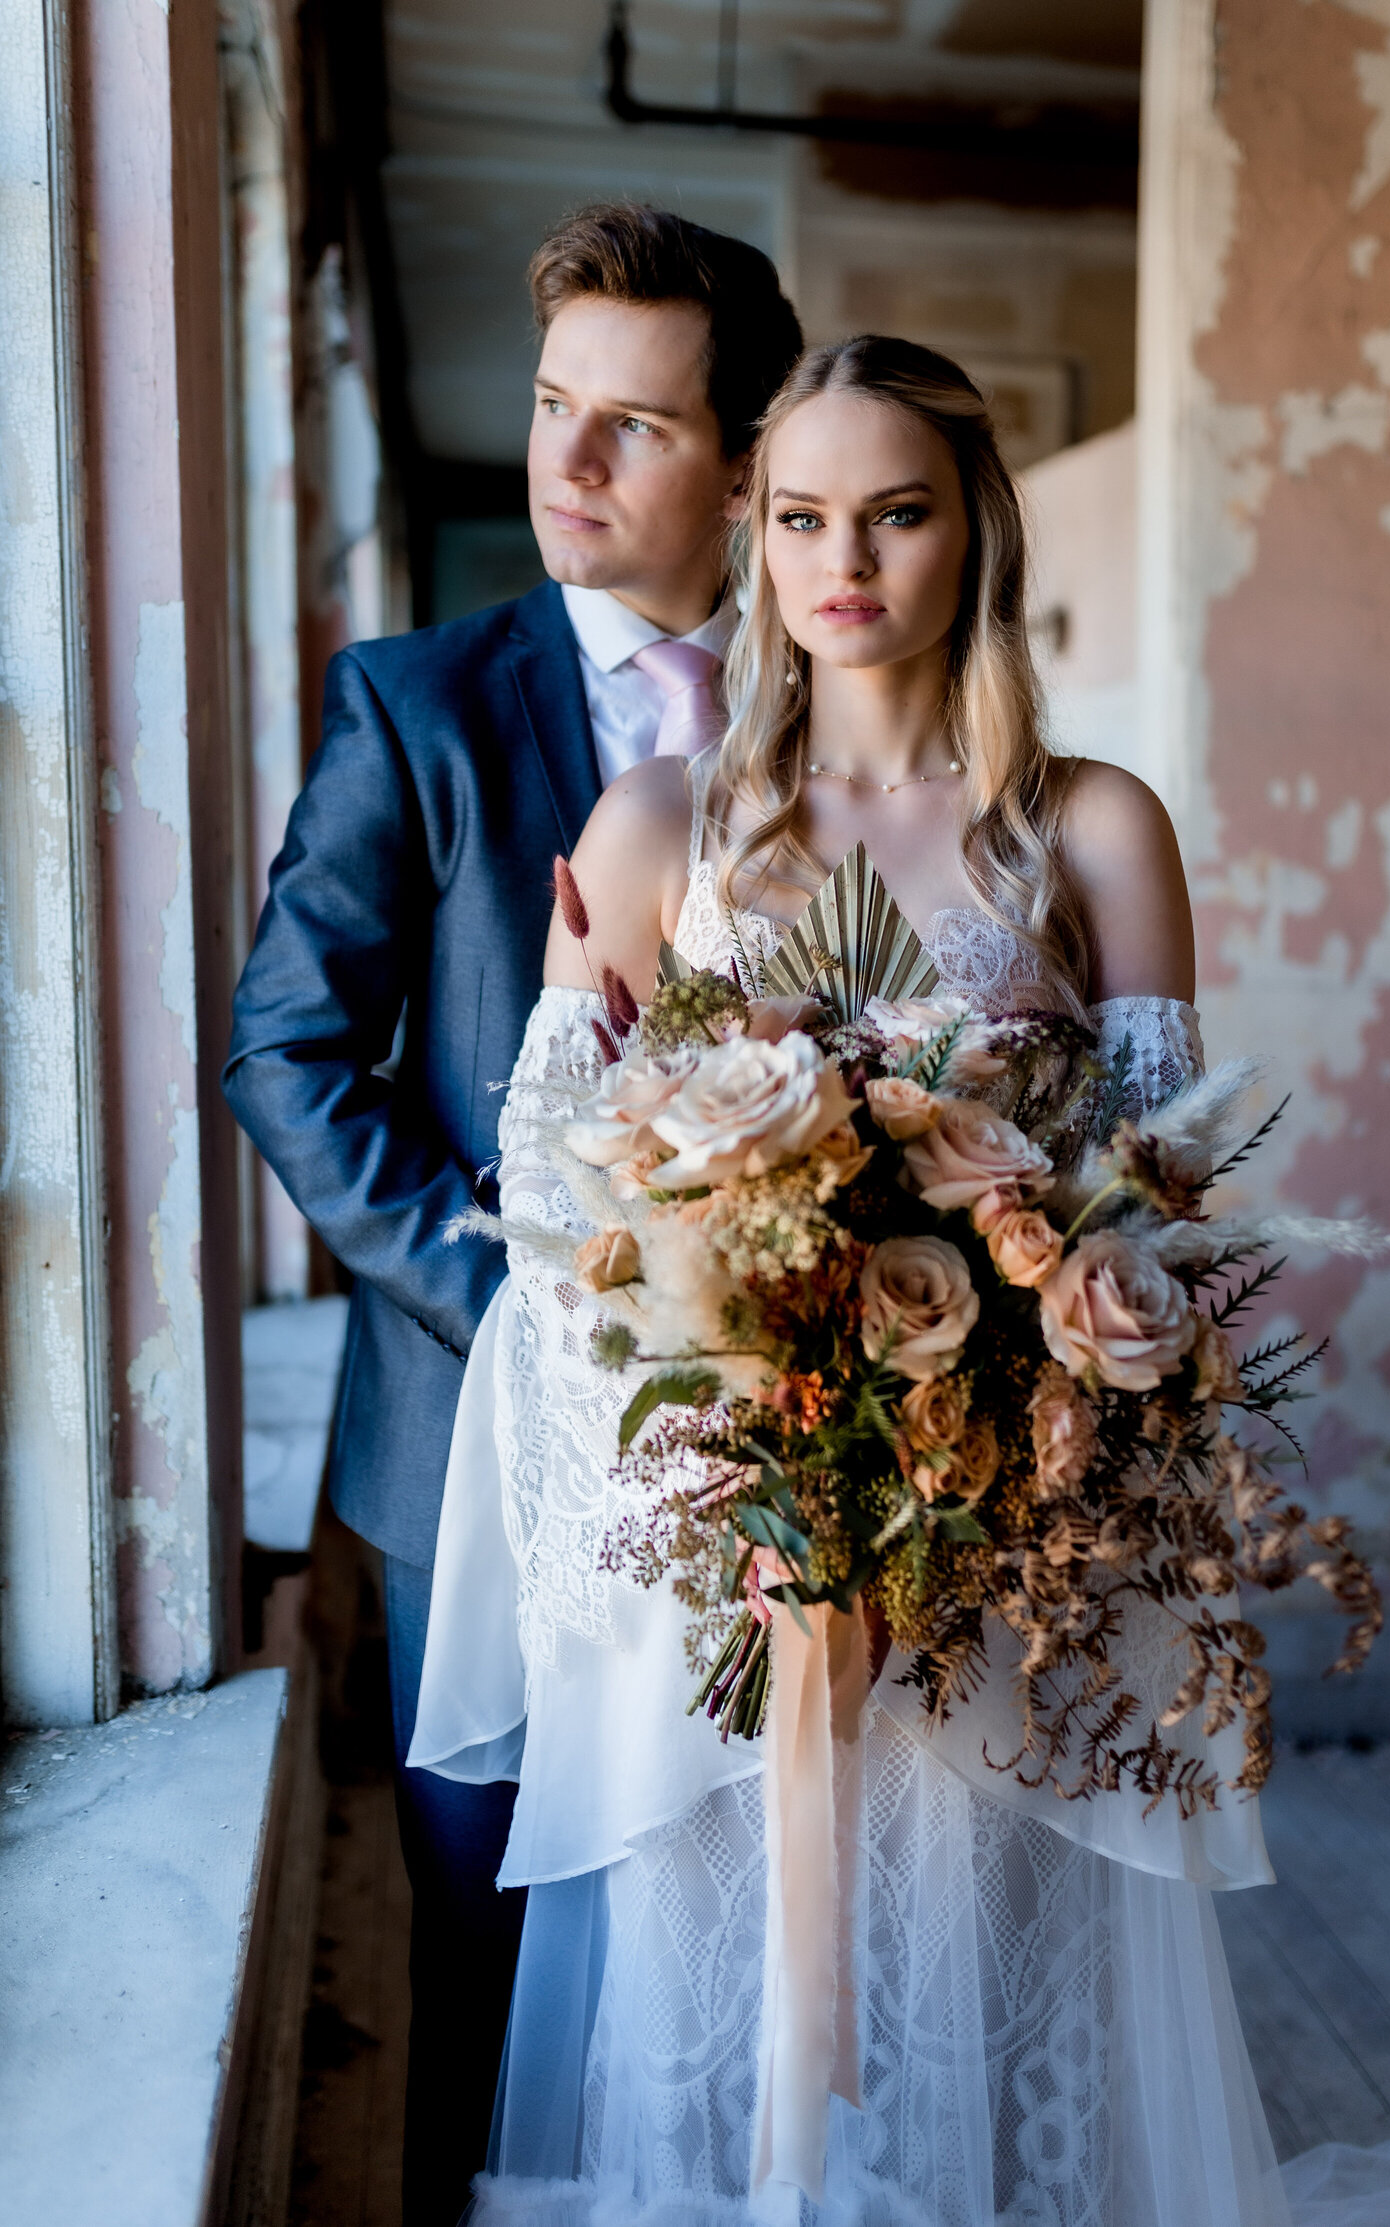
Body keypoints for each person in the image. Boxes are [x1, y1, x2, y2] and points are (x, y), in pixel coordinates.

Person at [417, 335, 1285, 2227]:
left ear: (974, 526)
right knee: (752, 2049)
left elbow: (1163, 1196)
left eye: (897, 512)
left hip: (1009, 1555)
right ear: (752, 534)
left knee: (991, 2022)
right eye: (804, 515)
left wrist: (1022, 1416)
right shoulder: (662, 835)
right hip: (755, 1565)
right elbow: (563, 1231)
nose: (850, 562)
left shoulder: (1095, 829)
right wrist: (751, 1472)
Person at [223, 203, 802, 2226]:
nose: (565, 463)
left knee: (749, 1955)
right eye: (554, 406)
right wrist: (505, 1291)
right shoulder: (417, 704)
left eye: (630, 428)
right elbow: (285, 1053)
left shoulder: (826, 716)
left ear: (743, 465)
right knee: (486, 1962)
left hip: (786, 1467)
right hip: (476, 1459)